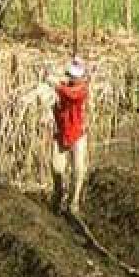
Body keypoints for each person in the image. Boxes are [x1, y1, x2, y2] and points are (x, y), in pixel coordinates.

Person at [51, 59, 89, 215]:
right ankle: (60, 193)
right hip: (62, 133)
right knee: (56, 168)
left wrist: (56, 85)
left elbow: (72, 95)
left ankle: (74, 203)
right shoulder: (65, 88)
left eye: (76, 77)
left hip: (77, 135)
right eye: (71, 76)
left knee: (78, 169)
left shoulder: (81, 90)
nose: (74, 79)